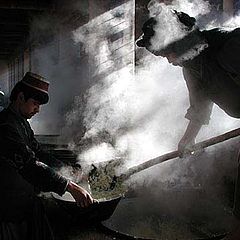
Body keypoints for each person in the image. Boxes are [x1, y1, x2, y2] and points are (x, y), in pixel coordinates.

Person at [136, 4, 240, 240]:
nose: (168, 61)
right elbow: (200, 109)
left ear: (179, 43)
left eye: (167, 53)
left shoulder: (230, 45)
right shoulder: (191, 68)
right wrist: (187, 140)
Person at [0, 72, 94, 240]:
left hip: (24, 202)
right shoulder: (6, 126)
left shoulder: (21, 123)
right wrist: (69, 186)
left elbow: (39, 153)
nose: (38, 110)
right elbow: (29, 164)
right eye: (35, 103)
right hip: (7, 209)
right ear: (21, 97)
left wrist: (69, 171)